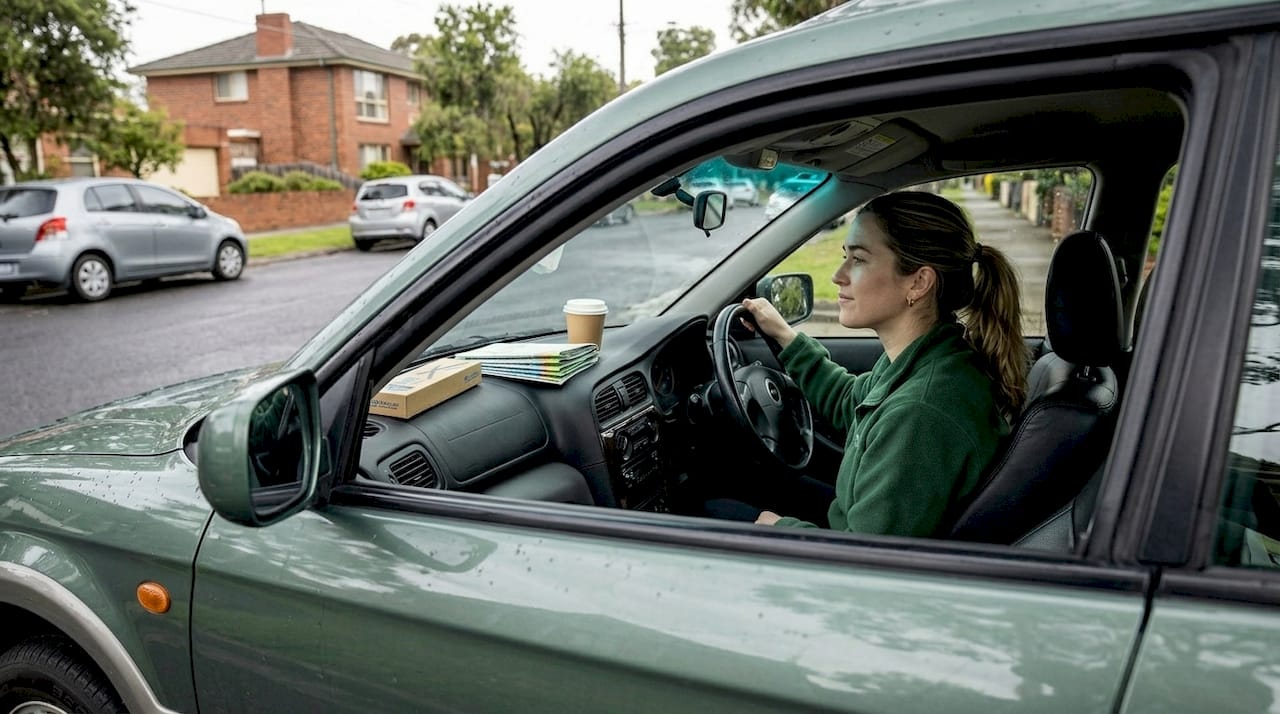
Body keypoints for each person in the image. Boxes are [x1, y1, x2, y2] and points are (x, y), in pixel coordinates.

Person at [740, 190, 1026, 536]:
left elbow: (865, 562)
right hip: (853, 532)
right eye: (845, 256)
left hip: (856, 569)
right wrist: (785, 336)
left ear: (919, 282)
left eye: (858, 260)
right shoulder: (928, 357)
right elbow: (852, 400)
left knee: (718, 512)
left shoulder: (921, 415)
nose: (838, 275)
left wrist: (780, 529)